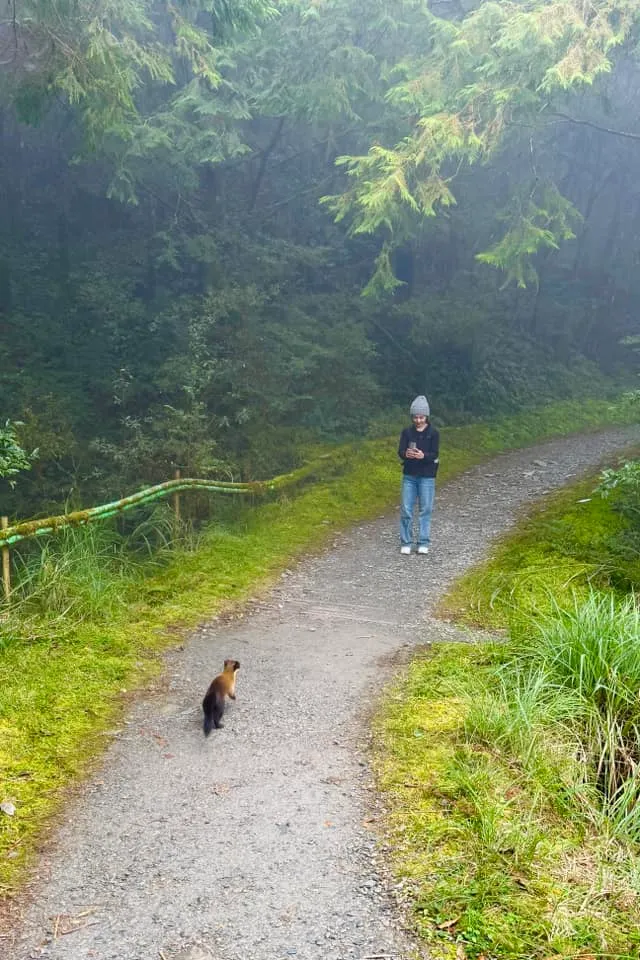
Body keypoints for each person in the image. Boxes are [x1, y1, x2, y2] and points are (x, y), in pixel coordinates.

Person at [397, 395, 439, 555]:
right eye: (415, 417)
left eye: (421, 417)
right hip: (409, 475)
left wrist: (423, 456)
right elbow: (400, 451)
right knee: (406, 509)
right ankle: (406, 542)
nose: (418, 420)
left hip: (427, 476)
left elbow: (435, 454)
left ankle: (423, 542)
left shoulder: (433, 433)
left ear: (426, 416)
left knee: (425, 509)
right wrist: (406, 454)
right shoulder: (407, 432)